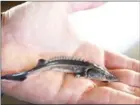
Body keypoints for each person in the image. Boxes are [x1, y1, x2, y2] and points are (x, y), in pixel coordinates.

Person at [1, 2, 140, 104]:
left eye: (106, 77)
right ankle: (17, 76)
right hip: (50, 64)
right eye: (105, 76)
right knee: (32, 71)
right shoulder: (86, 71)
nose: (106, 77)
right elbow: (81, 73)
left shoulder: (90, 69)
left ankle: (11, 76)